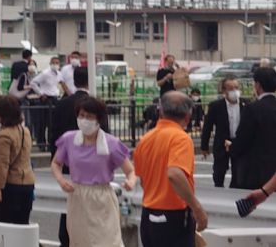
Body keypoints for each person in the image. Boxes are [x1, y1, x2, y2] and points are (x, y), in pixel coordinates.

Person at [52, 96, 136, 247]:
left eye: (89, 116)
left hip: (102, 197)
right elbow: (56, 163)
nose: (84, 120)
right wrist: (61, 181)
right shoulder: (69, 139)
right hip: (77, 197)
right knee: (79, 241)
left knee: (107, 241)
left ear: (99, 120)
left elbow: (130, 171)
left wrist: (130, 182)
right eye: (81, 115)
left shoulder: (111, 143)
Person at [133, 91, 207, 247]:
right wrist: (197, 208)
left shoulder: (145, 139)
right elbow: (174, 173)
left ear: (160, 112)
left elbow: (142, 180)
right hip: (174, 216)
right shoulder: (181, 138)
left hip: (149, 215)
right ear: (188, 117)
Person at [49, 67, 107, 247]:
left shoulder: (63, 104)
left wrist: (57, 160)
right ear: (90, 80)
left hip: (66, 165)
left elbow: (52, 135)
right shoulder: (96, 105)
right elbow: (105, 139)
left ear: (74, 79)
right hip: (92, 171)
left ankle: (66, 240)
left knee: (68, 207)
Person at [0, 95, 34, 224]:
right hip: (27, 183)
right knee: (22, 224)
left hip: (10, 186)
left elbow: (2, 164)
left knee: (5, 225)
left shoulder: (4, 136)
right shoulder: (25, 131)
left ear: (2, 114)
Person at [229, 66, 276, 190]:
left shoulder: (252, 109)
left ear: (257, 85)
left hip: (256, 172)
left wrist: (232, 147)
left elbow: (243, 138)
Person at [201, 77, 245, 188]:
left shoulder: (246, 105)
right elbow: (208, 126)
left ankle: (234, 189)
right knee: (219, 172)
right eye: (231, 88)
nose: (234, 91)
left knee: (238, 172)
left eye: (236, 87)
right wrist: (204, 146)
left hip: (239, 142)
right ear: (224, 91)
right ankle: (219, 188)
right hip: (222, 142)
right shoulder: (216, 106)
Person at [30, 56, 62, 151]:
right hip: (46, 98)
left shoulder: (59, 74)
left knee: (53, 123)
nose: (55, 64)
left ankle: (51, 143)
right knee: (43, 122)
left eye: (57, 63)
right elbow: (33, 82)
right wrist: (40, 93)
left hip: (55, 98)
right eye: (53, 62)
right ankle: (41, 143)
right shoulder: (45, 73)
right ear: (50, 63)